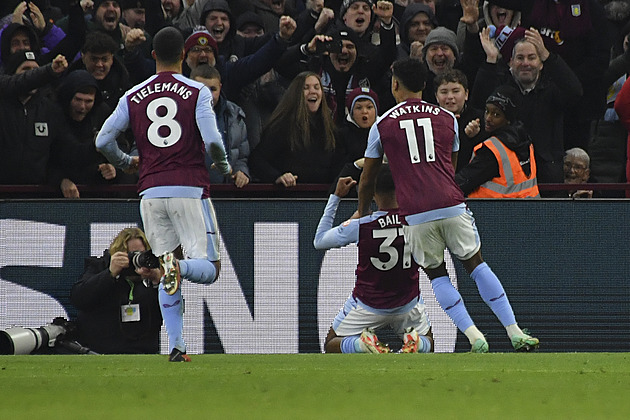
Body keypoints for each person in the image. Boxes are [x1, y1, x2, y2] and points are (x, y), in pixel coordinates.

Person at [358, 57, 539, 353]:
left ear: (394, 85)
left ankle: (473, 336)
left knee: (438, 273)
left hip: (416, 212)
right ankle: (514, 331)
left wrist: (361, 209)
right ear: (425, 86)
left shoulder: (383, 124)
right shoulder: (447, 119)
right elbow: (449, 166)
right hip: (451, 202)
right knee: (476, 265)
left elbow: (368, 179)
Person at [95, 26, 232, 362]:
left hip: (150, 192)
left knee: (164, 275)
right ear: (183, 56)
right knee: (207, 268)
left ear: (154, 55)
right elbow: (213, 140)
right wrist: (224, 166)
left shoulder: (133, 95)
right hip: (188, 188)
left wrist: (127, 162)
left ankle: (176, 345)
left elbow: (102, 141)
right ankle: (174, 265)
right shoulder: (196, 91)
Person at [315, 167, 433, 353]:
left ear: (372, 193)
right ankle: (418, 343)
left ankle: (361, 345)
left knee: (331, 343)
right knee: (428, 341)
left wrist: (336, 196)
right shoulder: (417, 221)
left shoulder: (362, 225)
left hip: (368, 304)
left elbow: (319, 240)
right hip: (407, 303)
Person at [70, 227, 163, 354]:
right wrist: (110, 274)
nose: (134, 260)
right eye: (130, 255)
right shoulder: (99, 267)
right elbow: (78, 298)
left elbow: (174, 311)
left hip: (143, 351)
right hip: (100, 351)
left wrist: (159, 282)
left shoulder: (151, 274)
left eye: (140, 254)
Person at [249, 71, 343, 186]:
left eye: (317, 87)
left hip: (321, 198)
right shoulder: (281, 127)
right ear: (297, 93)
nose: (313, 91)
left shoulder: (330, 130)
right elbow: (257, 160)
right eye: (306, 88)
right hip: (290, 197)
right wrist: (277, 176)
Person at [456, 85, 540, 198]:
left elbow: (461, 183)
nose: (488, 118)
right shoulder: (525, 140)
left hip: (494, 212)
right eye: (487, 111)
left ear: (508, 119)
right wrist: (474, 139)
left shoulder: (491, 151)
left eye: (496, 114)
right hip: (530, 209)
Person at [190, 64, 251, 188]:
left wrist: (241, 172)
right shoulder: (176, 114)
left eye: (213, 89)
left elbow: (242, 156)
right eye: (203, 90)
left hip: (225, 193)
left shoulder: (234, 115)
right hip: (189, 192)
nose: (208, 95)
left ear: (220, 88)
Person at [434, 68, 485, 172]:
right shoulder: (429, 120)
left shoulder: (480, 118)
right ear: (436, 97)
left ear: (466, 94)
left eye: (456, 91)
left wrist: (473, 137)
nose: (450, 97)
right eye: (444, 92)